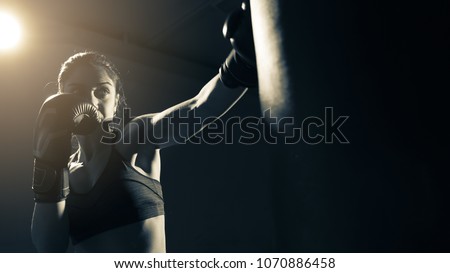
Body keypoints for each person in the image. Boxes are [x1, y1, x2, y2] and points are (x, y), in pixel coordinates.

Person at [30, 2, 256, 252]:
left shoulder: (136, 137)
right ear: (61, 97)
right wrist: (49, 163)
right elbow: (49, 248)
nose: (91, 100)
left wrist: (241, 61)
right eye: (77, 91)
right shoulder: (62, 172)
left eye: (102, 91)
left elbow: (198, 108)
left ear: (115, 102)